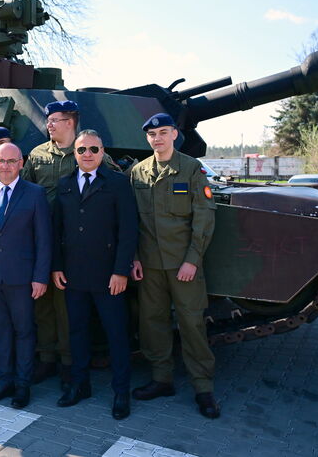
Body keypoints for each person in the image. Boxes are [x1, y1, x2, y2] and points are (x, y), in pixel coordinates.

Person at [130, 112, 220, 419]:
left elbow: (204, 217)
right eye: (152, 134)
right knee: (152, 322)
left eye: (163, 132)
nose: (158, 138)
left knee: (192, 323)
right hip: (150, 265)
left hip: (184, 265)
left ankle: (203, 387)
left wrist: (193, 259)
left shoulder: (191, 169)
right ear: (148, 138)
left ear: (174, 135)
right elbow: (132, 221)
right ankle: (161, 378)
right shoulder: (138, 172)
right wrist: (135, 257)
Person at [21, 100, 117, 387]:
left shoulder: (88, 152)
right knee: (43, 303)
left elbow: (114, 186)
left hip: (74, 242)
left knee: (67, 307)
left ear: (70, 122)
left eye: (55, 119)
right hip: (41, 239)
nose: (49, 124)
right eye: (48, 120)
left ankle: (68, 362)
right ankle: (46, 357)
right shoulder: (37, 155)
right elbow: (24, 191)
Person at [51, 130, 138, 420]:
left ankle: (121, 392)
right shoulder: (64, 185)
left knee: (116, 334)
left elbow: (128, 232)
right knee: (77, 333)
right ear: (74, 154)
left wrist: (120, 271)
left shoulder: (117, 183)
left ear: (102, 152)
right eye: (81, 150)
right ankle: (80, 385)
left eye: (93, 149)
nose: (87, 154)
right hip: (74, 274)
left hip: (107, 275)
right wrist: (57, 266)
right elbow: (56, 231)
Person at [0, 143, 52, 409]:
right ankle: (3, 381)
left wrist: (41, 276)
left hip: (23, 278)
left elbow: (44, 240)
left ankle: (22, 385)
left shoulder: (35, 194)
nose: (4, 166)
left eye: (10, 161)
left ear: (20, 163)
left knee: (24, 331)